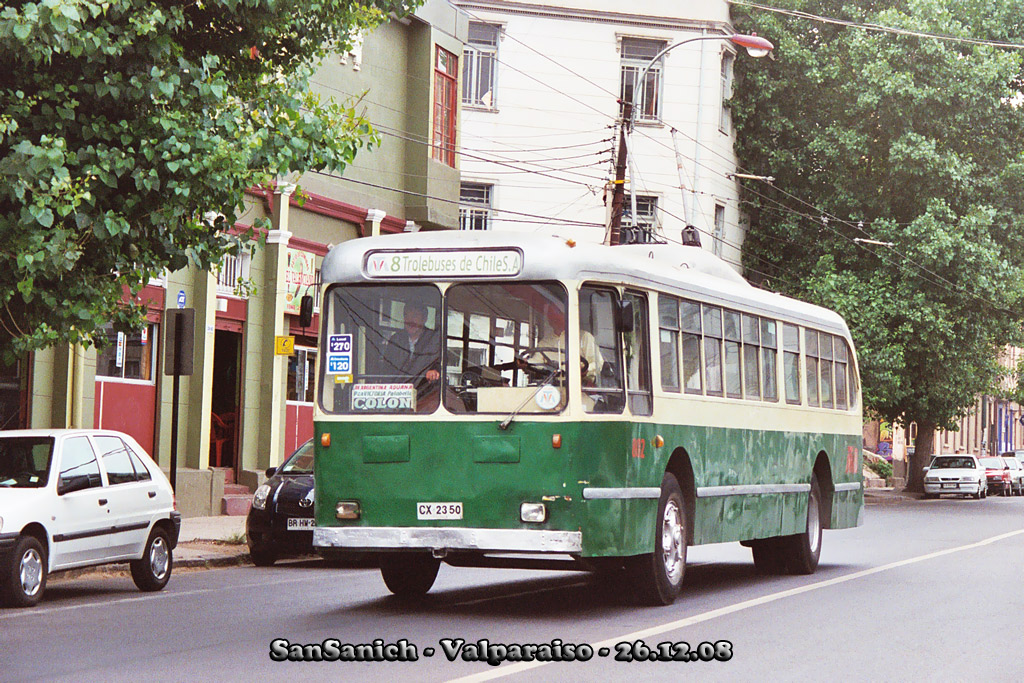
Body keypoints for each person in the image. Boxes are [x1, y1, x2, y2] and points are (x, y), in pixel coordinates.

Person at [523, 304, 603, 385]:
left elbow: (598, 363)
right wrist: (526, 363)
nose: (554, 318)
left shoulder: (584, 337)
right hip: (552, 386)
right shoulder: (544, 342)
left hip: (579, 386)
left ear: (566, 315)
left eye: (557, 313)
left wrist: (585, 370)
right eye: (550, 315)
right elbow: (537, 363)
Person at [381, 303, 441, 386]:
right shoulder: (396, 339)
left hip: (424, 390)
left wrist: (434, 371)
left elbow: (439, 363)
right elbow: (386, 369)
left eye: (415, 316)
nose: (410, 320)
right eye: (406, 316)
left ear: (424, 318)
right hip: (398, 389)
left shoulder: (434, 339)